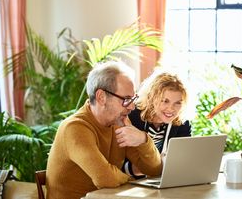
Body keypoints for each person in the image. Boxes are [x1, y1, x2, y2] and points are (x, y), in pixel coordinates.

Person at [46, 61, 162, 199]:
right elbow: (105, 178)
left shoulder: (119, 122)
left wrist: (143, 139)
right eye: (126, 99)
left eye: (133, 99)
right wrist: (132, 180)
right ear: (101, 97)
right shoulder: (75, 128)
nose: (131, 107)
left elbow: (154, 170)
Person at [123, 72, 191, 177]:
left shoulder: (182, 124)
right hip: (131, 183)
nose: (171, 109)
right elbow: (121, 164)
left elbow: (183, 160)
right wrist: (154, 168)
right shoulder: (132, 117)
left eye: (178, 103)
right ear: (151, 98)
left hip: (162, 180)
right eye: (165, 101)